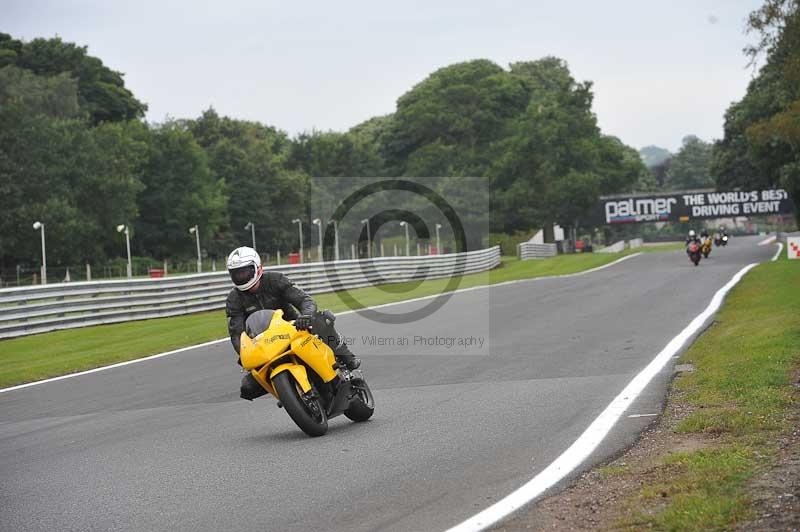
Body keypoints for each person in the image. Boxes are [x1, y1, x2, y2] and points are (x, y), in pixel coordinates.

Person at [225, 246, 361, 400]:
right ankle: (290, 395)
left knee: (321, 319)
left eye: (244, 272)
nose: (241, 276)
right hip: (265, 343)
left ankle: (346, 357)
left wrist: (306, 316)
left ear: (257, 267)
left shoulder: (275, 279)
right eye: (237, 273)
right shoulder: (234, 299)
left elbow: (305, 300)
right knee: (247, 387)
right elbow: (236, 333)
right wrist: (243, 353)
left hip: (293, 326)